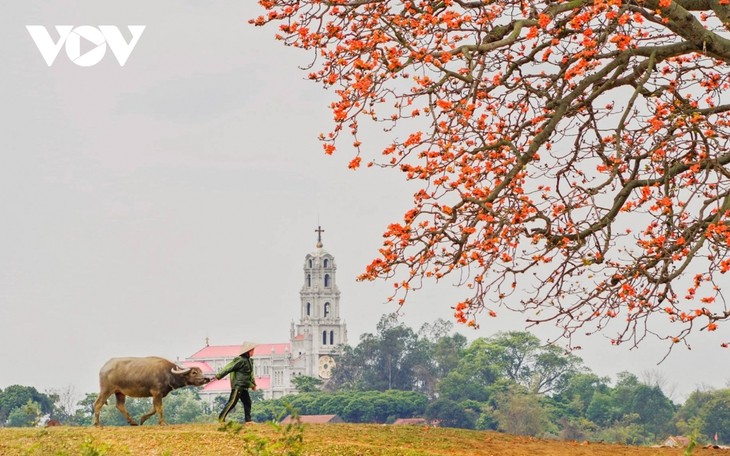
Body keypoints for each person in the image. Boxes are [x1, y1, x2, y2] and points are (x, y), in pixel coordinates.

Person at [216, 341, 257, 423]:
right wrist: (218, 376)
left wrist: (253, 384)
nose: (253, 352)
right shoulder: (240, 360)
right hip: (238, 386)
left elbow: (250, 374)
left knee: (247, 402)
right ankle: (221, 419)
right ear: (248, 351)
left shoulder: (249, 361)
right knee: (232, 403)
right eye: (252, 350)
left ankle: (248, 420)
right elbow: (229, 368)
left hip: (244, 386)